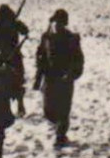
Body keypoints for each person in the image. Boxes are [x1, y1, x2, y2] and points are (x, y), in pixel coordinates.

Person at [34, 9, 85, 149]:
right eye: (55, 22)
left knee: (63, 109)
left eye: (60, 23)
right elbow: (40, 57)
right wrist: (38, 78)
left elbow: (78, 59)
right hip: (50, 77)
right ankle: (58, 128)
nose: (56, 26)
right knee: (48, 110)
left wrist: (72, 74)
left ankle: (60, 136)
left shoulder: (71, 39)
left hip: (64, 78)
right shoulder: (46, 37)